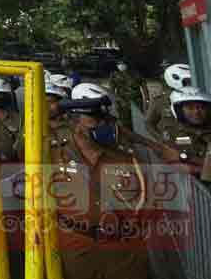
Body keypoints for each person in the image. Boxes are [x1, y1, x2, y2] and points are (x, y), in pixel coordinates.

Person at [50, 83, 149, 279]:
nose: (100, 123)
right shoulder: (52, 153)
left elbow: (144, 200)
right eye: (93, 117)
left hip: (123, 250)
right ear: (75, 122)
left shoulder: (124, 157)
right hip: (77, 248)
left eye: (103, 117)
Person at [152, 87, 211, 177]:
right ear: (179, 111)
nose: (196, 112)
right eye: (190, 108)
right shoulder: (174, 133)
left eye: (201, 107)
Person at [146, 64, 190, 138]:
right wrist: (160, 138)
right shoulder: (160, 101)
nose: (187, 84)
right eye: (185, 81)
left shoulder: (193, 97)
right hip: (173, 143)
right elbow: (148, 123)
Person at [109, 62, 146, 129]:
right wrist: (115, 101)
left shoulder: (136, 73)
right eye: (119, 64)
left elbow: (144, 86)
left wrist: (147, 99)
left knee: (138, 121)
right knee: (125, 122)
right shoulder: (114, 75)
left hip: (136, 101)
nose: (120, 66)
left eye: (122, 64)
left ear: (126, 65)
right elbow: (112, 90)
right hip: (122, 102)